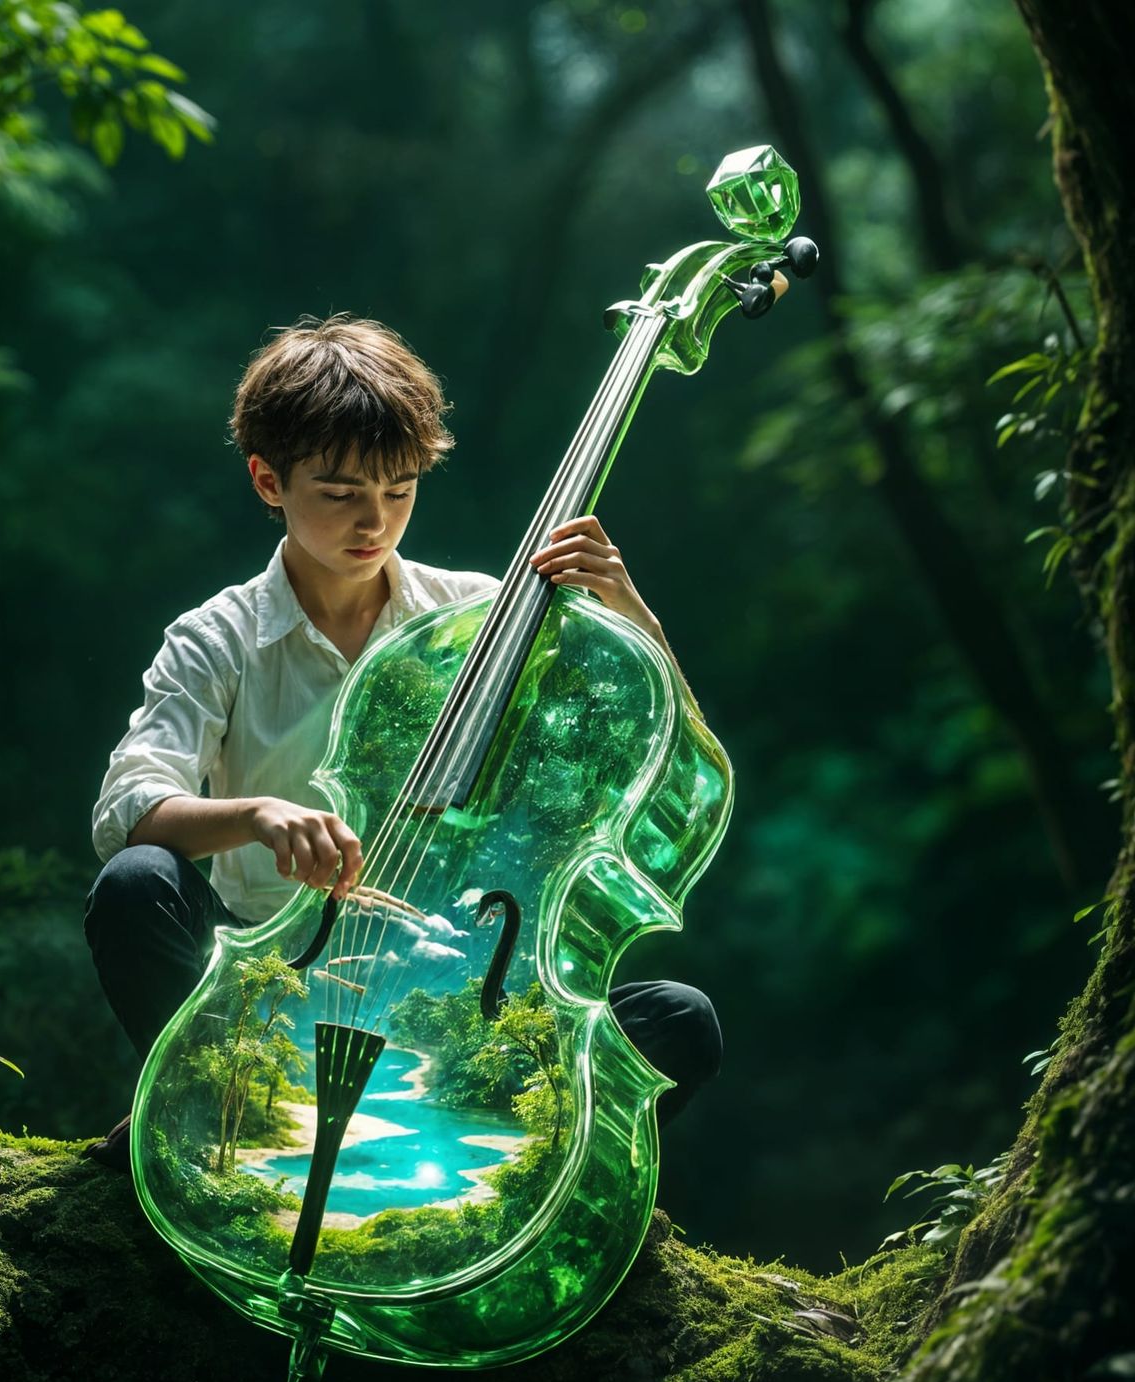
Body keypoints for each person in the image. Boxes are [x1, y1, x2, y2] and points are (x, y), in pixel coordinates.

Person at [85, 313, 720, 1168]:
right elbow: (129, 808)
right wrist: (259, 815)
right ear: (269, 480)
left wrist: (630, 617)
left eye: (399, 490)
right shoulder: (218, 637)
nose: (374, 521)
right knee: (136, 883)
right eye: (340, 493)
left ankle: (493, 1187)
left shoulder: (484, 620)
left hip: (452, 993)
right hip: (267, 992)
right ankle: (200, 1115)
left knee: (678, 1020)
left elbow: (654, 751)